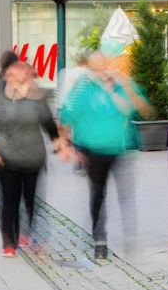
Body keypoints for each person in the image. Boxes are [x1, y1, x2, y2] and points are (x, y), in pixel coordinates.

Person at [59, 51, 152, 261]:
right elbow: (66, 114)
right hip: (93, 151)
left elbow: (144, 110)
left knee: (126, 196)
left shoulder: (122, 84)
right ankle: (100, 240)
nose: (101, 72)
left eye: (103, 66)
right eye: (95, 69)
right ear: (89, 70)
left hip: (122, 149)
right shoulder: (83, 87)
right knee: (98, 195)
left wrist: (121, 87)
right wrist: (67, 145)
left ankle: (130, 239)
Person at [0, 60, 63, 258]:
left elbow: (48, 123)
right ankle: (8, 241)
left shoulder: (37, 96)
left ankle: (25, 232)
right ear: (6, 74)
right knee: (9, 199)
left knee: (30, 200)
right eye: (12, 72)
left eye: (21, 72)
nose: (15, 76)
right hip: (4, 157)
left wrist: (58, 142)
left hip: (33, 157)